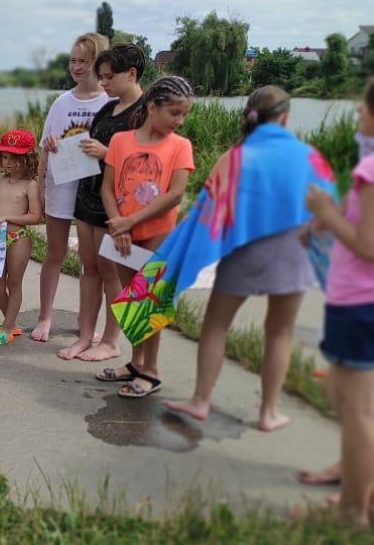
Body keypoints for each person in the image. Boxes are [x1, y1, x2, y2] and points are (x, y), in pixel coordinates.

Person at [163, 86, 321, 431]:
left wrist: (178, 253)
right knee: (280, 332)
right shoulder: (308, 155)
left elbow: (206, 212)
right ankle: (268, 413)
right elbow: (327, 208)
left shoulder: (235, 157)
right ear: (285, 117)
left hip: (243, 251)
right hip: (293, 252)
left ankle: (201, 401)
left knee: (216, 324)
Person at [302, 77, 374, 525]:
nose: (357, 117)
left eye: (362, 110)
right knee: (342, 394)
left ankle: (353, 508)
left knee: (356, 409)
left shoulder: (369, 172)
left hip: (359, 302)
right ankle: (352, 473)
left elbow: (367, 245)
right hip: (357, 301)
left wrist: (326, 212)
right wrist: (330, 223)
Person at [95, 76, 195, 398]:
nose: (179, 120)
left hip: (157, 234)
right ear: (152, 107)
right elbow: (107, 188)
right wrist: (117, 224)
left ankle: (151, 371)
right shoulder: (122, 141)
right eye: (174, 112)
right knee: (131, 298)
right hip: (123, 231)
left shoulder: (180, 146)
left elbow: (175, 195)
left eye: (184, 114)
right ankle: (136, 362)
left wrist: (129, 222)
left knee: (150, 301)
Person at [63, 43, 147, 362]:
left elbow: (147, 162)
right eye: (101, 77)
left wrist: (107, 153)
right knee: (89, 268)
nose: (104, 83)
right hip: (88, 194)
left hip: (116, 204)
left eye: (109, 77)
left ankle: (111, 340)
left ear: (131, 73)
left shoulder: (143, 112)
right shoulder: (106, 107)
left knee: (111, 271)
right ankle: (86, 335)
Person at [32, 32, 111, 343]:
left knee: (90, 261)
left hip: (95, 189)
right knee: (55, 251)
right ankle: (45, 316)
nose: (77, 67)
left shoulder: (111, 101)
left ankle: (86, 319)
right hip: (61, 183)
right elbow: (45, 146)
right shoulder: (61, 102)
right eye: (73, 61)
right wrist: (40, 183)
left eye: (84, 61)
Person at [0, 129, 42, 345]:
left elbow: (35, 216)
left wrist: (6, 216)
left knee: (14, 283)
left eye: (14, 158)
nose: (8, 163)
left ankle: (7, 327)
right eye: (5, 157)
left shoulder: (30, 185)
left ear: (26, 159)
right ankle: (12, 322)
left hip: (19, 238)